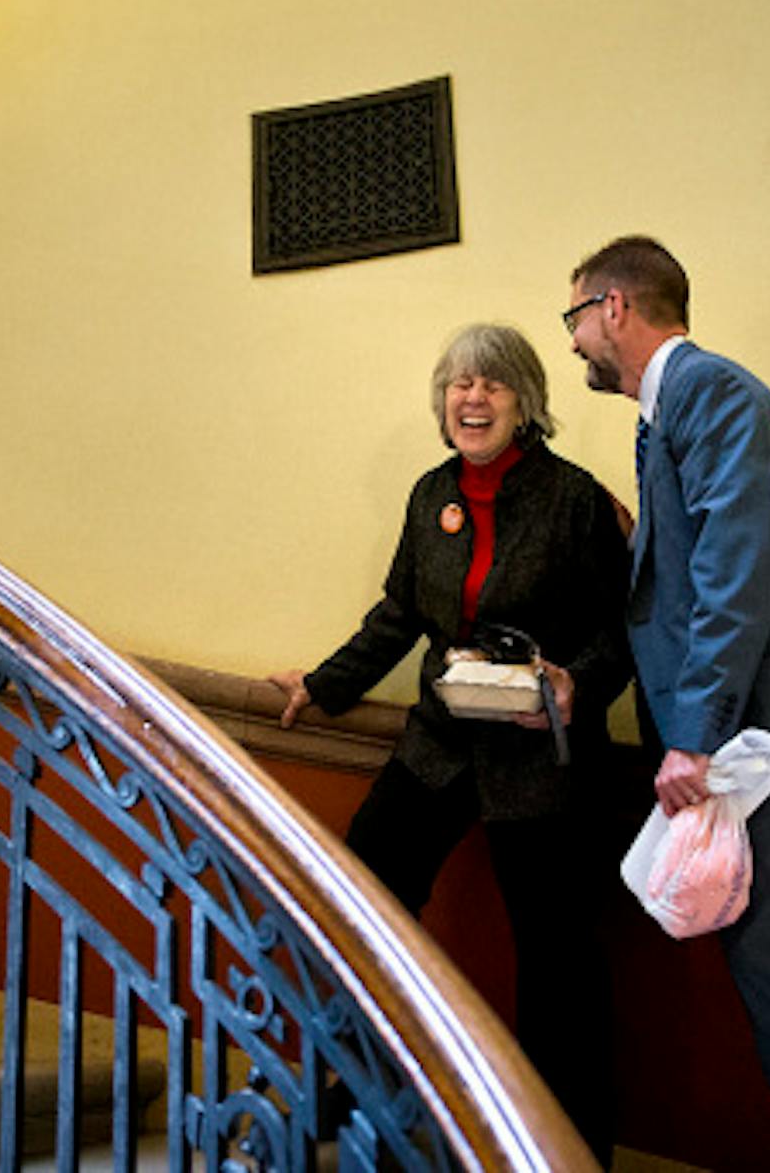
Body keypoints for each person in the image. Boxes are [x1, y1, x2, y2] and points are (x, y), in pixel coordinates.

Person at [565, 236, 770, 1172]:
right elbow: (705, 562)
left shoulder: (710, 393)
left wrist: (692, 736)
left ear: (616, 306)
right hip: (755, 750)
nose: (575, 340)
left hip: (764, 750)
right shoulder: (683, 407)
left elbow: (734, 577)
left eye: (576, 317)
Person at [269, 322, 629, 1163]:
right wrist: (323, 683)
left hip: (541, 756)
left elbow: (624, 631)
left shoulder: (575, 500)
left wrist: (574, 686)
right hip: (442, 741)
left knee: (557, 956)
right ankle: (359, 1085)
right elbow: (400, 614)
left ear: (524, 402)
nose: (473, 397)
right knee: (365, 896)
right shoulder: (431, 491)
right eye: (459, 383)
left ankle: (564, 1145)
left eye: (492, 383)